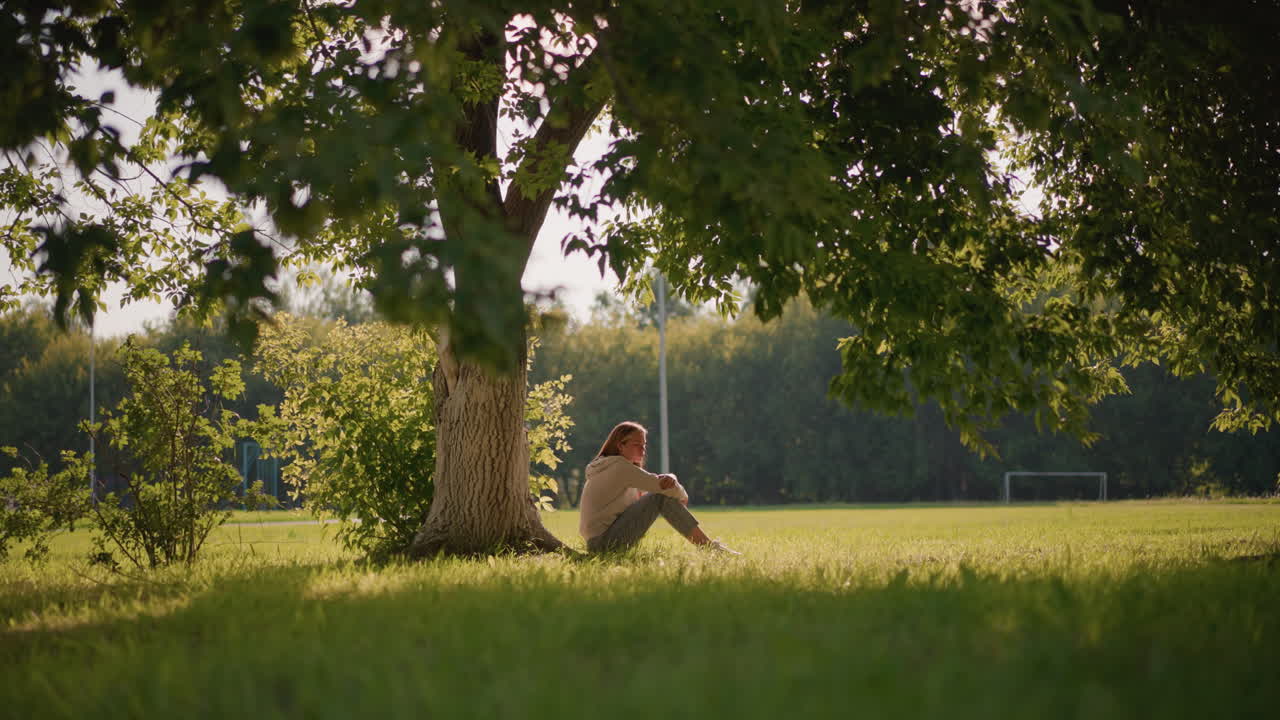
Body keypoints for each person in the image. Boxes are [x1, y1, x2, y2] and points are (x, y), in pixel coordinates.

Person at [579, 421, 740, 555]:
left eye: (644, 445)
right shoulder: (620, 467)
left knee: (658, 496)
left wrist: (671, 478)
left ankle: (710, 547)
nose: (643, 450)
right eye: (637, 445)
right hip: (604, 544)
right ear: (621, 445)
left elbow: (651, 493)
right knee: (659, 497)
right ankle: (710, 548)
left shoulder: (608, 466)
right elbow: (661, 487)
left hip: (599, 543)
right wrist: (682, 494)